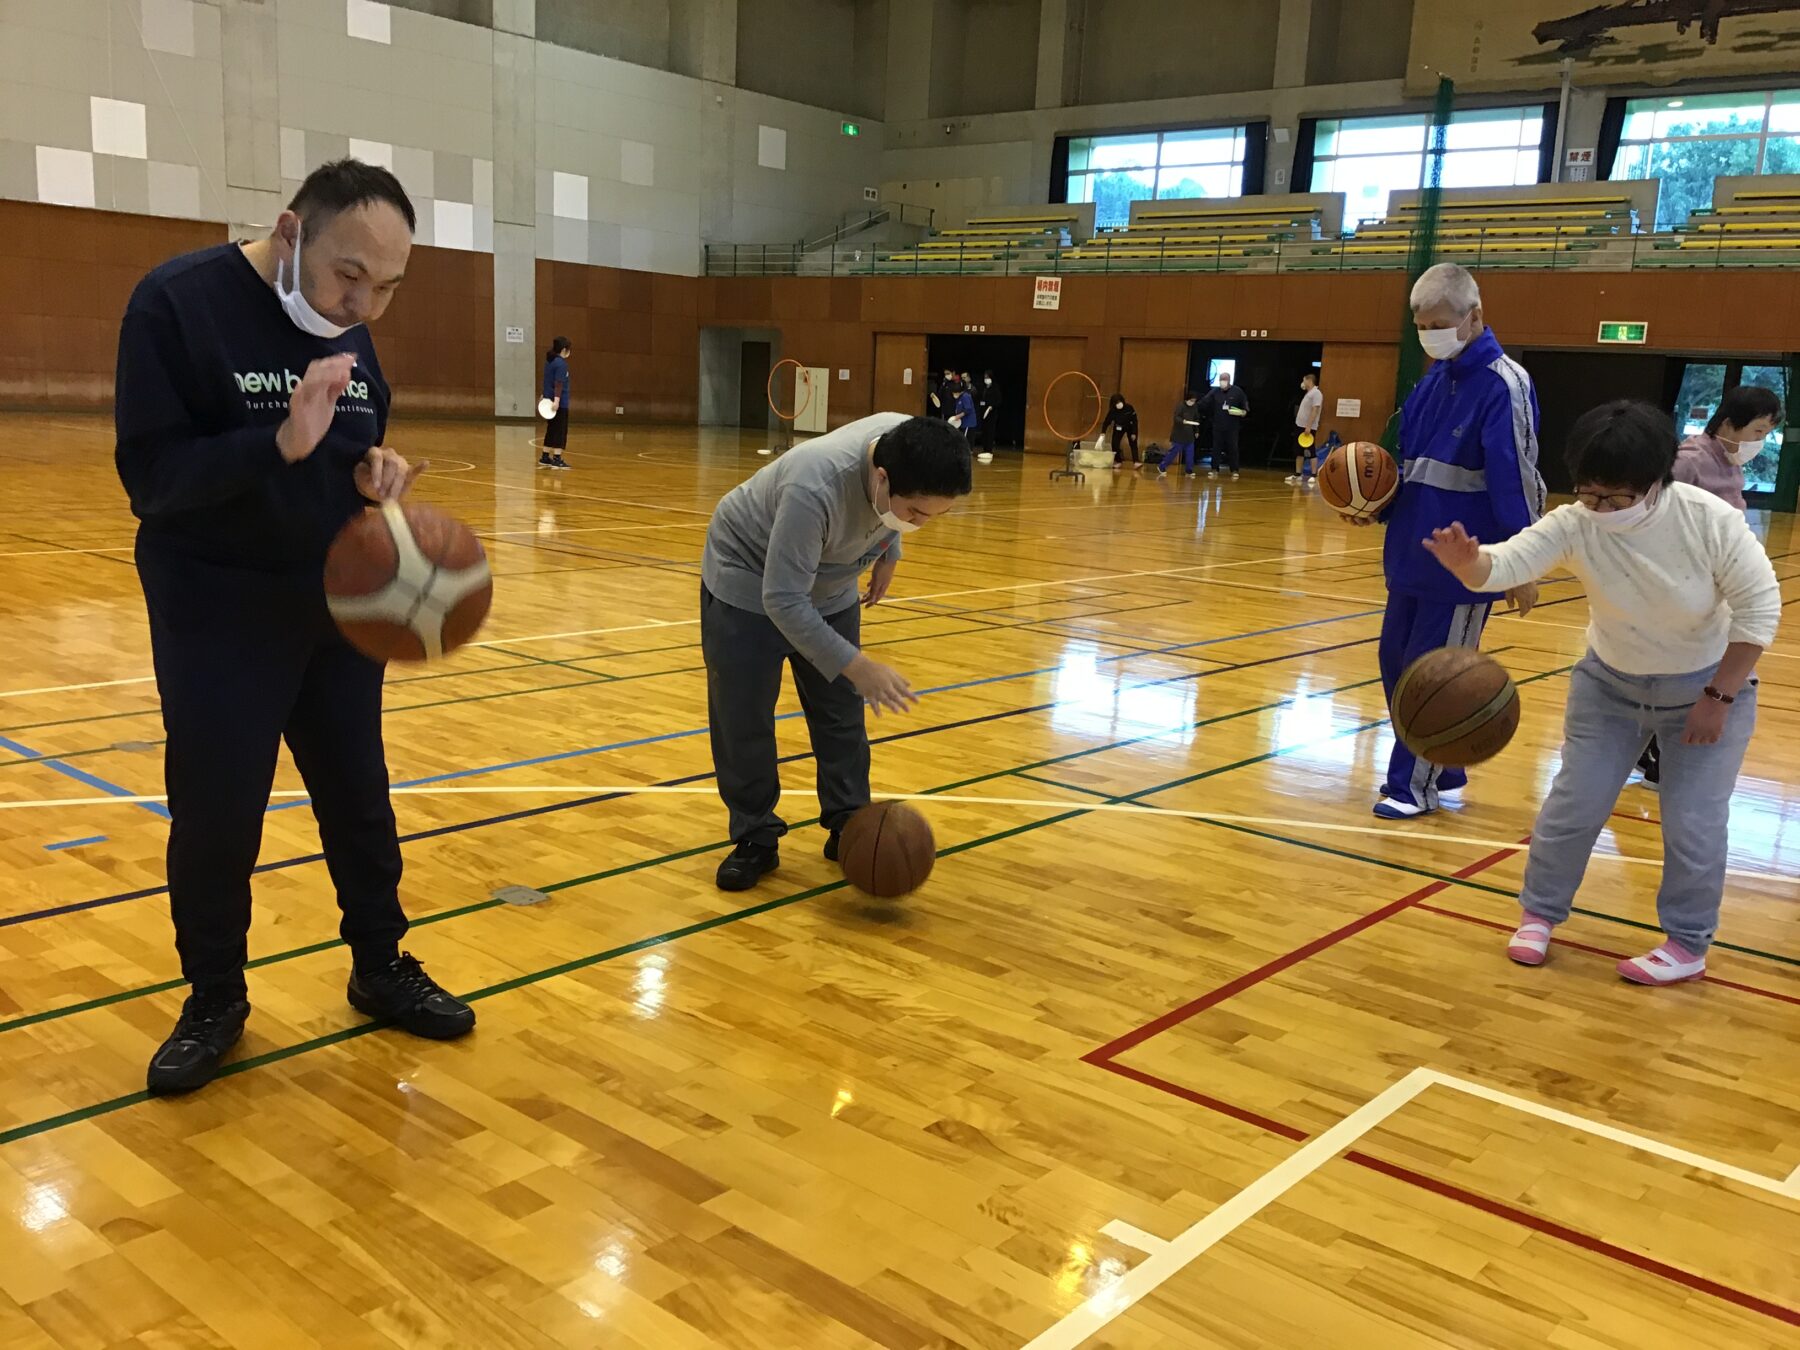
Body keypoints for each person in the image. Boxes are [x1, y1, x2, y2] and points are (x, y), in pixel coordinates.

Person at [113, 159, 475, 1096]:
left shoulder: (354, 333)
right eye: (350, 274)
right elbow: (153, 481)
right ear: (290, 232)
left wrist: (372, 474)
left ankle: (380, 964)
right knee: (219, 812)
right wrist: (276, 441)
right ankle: (215, 999)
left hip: (332, 600)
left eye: (388, 286)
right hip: (216, 607)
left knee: (359, 793)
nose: (366, 304)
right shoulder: (177, 306)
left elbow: (350, 445)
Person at [1422, 401, 1778, 985]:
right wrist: (1472, 566)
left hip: (1706, 687)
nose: (1600, 509)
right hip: (1609, 685)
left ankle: (1687, 943)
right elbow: (1508, 562)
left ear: (1656, 482)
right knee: (1573, 805)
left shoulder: (1709, 520)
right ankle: (1539, 915)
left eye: (1616, 497)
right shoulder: (1575, 522)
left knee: (1693, 822)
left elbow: (1760, 612)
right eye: (1589, 493)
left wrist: (1719, 698)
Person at [701, 414, 973, 891]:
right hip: (747, 579)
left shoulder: (906, 442)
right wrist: (858, 665)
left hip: (829, 583)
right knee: (742, 718)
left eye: (934, 517)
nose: (919, 524)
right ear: (882, 478)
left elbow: (891, 517)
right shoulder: (815, 486)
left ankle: (849, 821)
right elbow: (782, 598)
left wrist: (890, 551)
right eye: (915, 514)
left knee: (841, 714)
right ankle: (754, 836)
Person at [1364, 262, 1546, 819]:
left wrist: (1520, 563)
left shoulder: (1505, 385)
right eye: (1421, 324)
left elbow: (1518, 477)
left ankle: (1410, 786)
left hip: (1464, 564)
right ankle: (1442, 761)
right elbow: (1408, 470)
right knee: (1395, 661)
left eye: (1440, 323)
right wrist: (1371, 505)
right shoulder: (1429, 383)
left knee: (1433, 673)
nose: (1430, 334)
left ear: (1475, 317)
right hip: (1410, 555)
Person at [1635, 383, 1785, 788]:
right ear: (1730, 423)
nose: (1761, 441)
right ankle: (1655, 757)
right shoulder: (1688, 460)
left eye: (1766, 432)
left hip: (1715, 589)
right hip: (1678, 590)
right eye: (1757, 430)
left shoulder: (1730, 462)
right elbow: (1654, 517)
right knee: (1683, 672)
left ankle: (1649, 749)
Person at [1198, 370, 1250, 480]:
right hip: (1218, 425)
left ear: (1229, 380)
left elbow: (1244, 404)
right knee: (1216, 447)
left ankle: (1234, 470)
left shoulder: (1237, 391)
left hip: (1232, 426)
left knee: (1233, 447)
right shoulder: (1215, 392)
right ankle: (1214, 469)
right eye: (1221, 380)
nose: (1223, 382)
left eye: (1224, 380)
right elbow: (1204, 402)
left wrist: (1244, 411)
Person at [539, 336, 571, 470]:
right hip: (558, 403)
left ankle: (545, 456)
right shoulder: (561, 364)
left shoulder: (549, 362)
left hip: (547, 400)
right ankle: (557, 458)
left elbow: (547, 381)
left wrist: (544, 395)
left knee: (551, 429)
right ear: (564, 350)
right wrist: (557, 400)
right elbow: (558, 383)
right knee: (560, 430)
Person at [1287, 371, 1324, 486]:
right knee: (1298, 450)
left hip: (1308, 428)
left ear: (1309, 381)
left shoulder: (1316, 393)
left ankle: (1313, 475)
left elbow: (1315, 410)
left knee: (1310, 450)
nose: (1302, 383)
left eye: (1304, 380)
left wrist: (1308, 426)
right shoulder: (1308, 393)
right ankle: (1298, 474)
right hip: (1299, 425)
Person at [1158, 390, 1204, 477]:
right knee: (1173, 453)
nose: (1192, 402)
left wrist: (1197, 431)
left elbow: (1196, 419)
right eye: (1191, 400)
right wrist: (1183, 421)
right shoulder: (1181, 406)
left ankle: (1189, 471)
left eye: (1194, 401)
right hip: (1178, 435)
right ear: (1187, 399)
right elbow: (1176, 417)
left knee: (1190, 454)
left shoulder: (1194, 407)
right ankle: (1162, 466)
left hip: (1189, 435)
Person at [1099, 392, 1139, 467]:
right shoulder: (1112, 411)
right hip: (1119, 427)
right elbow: (1106, 422)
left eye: (1119, 401)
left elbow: (1135, 421)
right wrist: (1103, 432)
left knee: (1133, 443)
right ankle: (1118, 461)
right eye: (1116, 402)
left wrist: (1134, 432)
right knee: (1114, 444)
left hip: (1130, 426)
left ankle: (1136, 461)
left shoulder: (1129, 407)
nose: (1119, 404)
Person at [974, 371, 1000, 463]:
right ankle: (985, 449)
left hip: (991, 414)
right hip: (983, 413)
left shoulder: (995, 389)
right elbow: (979, 398)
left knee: (990, 431)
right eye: (985, 377)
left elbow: (998, 401)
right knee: (984, 431)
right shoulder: (983, 388)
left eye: (988, 377)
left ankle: (989, 450)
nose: (986, 379)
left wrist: (991, 407)